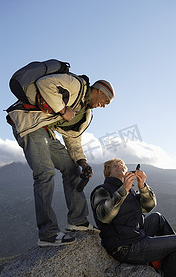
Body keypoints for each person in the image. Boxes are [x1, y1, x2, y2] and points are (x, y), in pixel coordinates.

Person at [6, 72, 114, 247]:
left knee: (72, 169)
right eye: (106, 100)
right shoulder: (76, 85)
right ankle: (47, 233)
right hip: (29, 124)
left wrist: (82, 162)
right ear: (99, 90)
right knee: (45, 173)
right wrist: (63, 111)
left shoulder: (86, 116)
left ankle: (77, 222)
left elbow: (73, 139)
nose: (104, 105)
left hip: (46, 133)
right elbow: (44, 83)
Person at [90, 158, 176, 277]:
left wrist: (142, 186)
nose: (119, 167)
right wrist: (123, 189)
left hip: (134, 235)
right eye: (114, 166)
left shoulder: (130, 191)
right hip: (124, 247)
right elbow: (104, 216)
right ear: (108, 173)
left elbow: (149, 206)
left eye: (122, 166)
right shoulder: (102, 190)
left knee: (157, 218)